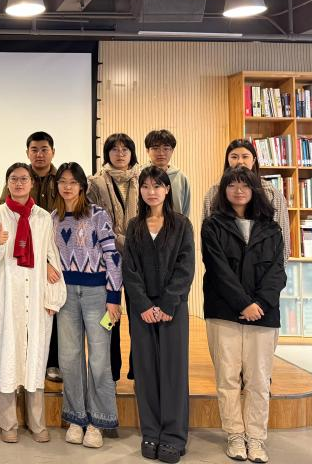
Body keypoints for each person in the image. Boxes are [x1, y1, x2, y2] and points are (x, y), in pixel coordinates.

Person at [202, 166, 286, 464]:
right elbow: (218, 270)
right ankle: (235, 435)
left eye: (245, 185)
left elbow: (277, 271)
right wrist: (243, 303)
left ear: (254, 190)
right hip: (223, 312)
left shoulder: (271, 228)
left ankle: (257, 437)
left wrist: (259, 303)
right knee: (227, 378)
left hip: (264, 314)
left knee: (259, 380)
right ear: (223, 191)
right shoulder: (212, 225)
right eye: (232, 185)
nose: (238, 190)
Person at [0, 163, 66, 444]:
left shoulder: (42, 217)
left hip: (36, 295)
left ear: (32, 183)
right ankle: (8, 422)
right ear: (7, 183)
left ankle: (37, 422)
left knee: (36, 355)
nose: (19, 183)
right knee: (8, 353)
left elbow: (51, 255)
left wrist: (53, 293)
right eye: (13, 179)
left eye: (24, 179)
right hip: (10, 295)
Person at [122, 166, 195, 464]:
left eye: (157, 186)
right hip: (142, 310)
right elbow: (130, 270)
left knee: (173, 372)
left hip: (172, 309)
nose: (151, 192)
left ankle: (174, 436)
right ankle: (151, 432)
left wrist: (166, 304)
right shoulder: (135, 226)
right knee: (146, 371)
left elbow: (185, 268)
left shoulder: (182, 225)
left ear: (167, 189)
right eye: (146, 186)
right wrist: (143, 305)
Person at [52, 162, 122, 449]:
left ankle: (98, 421)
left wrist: (114, 297)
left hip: (97, 294)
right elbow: (48, 256)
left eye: (73, 182)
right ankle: (76, 417)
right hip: (65, 295)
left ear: (82, 185)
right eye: (62, 181)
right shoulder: (53, 218)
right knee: (69, 357)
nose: (67, 187)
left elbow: (112, 256)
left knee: (99, 359)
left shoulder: (98, 215)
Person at [0, 131, 62, 382]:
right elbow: (8, 222)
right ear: (27, 152)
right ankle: (21, 365)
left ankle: (52, 362)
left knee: (52, 309)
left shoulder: (62, 179)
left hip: (57, 255)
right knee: (23, 315)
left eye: (44, 149)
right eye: (34, 149)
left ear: (53, 152)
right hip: (26, 261)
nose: (39, 154)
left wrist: (49, 261)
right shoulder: (18, 179)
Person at [87, 133, 140, 385]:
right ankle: (111, 370)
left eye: (125, 149)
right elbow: (91, 220)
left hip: (139, 257)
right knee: (110, 315)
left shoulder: (143, 180)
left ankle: (138, 368)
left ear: (132, 153)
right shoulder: (94, 183)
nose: (120, 154)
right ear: (107, 153)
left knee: (139, 313)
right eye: (115, 149)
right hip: (106, 258)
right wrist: (116, 240)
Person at [200, 139, 290, 265]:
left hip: (264, 266)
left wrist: (279, 268)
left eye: (245, 157)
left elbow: (282, 236)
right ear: (227, 160)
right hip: (224, 266)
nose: (240, 161)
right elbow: (207, 239)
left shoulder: (271, 193)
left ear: (253, 161)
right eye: (234, 157)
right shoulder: (214, 192)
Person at [144, 130, 191, 217]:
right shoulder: (139, 175)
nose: (161, 153)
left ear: (172, 150)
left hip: (176, 225)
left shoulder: (181, 177)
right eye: (155, 148)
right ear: (147, 150)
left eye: (166, 148)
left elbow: (185, 210)